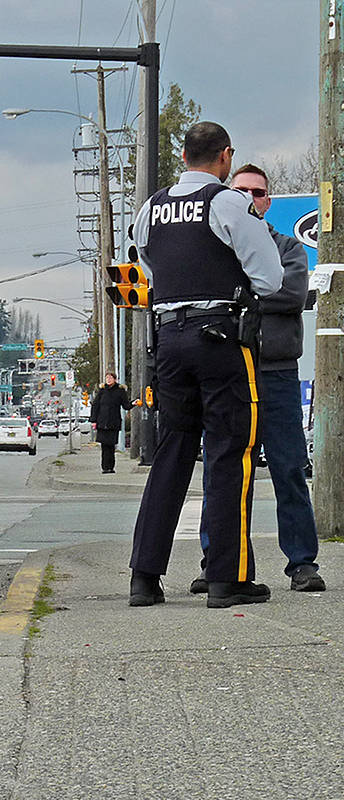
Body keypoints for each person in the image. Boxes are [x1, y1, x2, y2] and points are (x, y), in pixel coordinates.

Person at [127, 121, 283, 609]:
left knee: (171, 452)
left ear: (183, 155)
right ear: (225, 157)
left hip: (168, 338)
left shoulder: (152, 207)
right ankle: (226, 578)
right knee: (229, 451)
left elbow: (149, 265)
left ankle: (144, 577)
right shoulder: (227, 203)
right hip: (221, 338)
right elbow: (270, 278)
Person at [190, 164, 325, 594]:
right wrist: (254, 294)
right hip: (230, 371)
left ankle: (302, 563)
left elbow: (291, 294)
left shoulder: (290, 249)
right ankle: (217, 562)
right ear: (229, 196)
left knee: (288, 469)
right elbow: (264, 294)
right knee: (222, 469)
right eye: (242, 190)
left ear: (268, 201)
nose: (251, 198)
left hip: (278, 373)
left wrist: (238, 298)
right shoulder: (219, 251)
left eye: (260, 193)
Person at [89, 372, 137, 473]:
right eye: (107, 378)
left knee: (111, 445)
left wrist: (133, 403)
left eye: (110, 378)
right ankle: (105, 467)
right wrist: (93, 420)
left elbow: (126, 405)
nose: (108, 379)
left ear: (115, 379)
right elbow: (95, 406)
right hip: (102, 422)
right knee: (104, 446)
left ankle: (111, 467)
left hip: (113, 422)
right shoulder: (102, 391)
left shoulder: (120, 391)